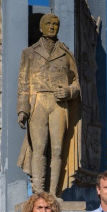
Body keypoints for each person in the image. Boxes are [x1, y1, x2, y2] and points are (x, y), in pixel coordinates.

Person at [16, 13, 80, 197]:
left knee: (58, 150)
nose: (52, 27)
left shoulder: (66, 54)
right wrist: (22, 109)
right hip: (38, 102)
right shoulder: (29, 53)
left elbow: (76, 84)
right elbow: (23, 84)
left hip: (59, 104)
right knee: (39, 149)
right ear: (41, 27)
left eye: (56, 24)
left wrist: (69, 92)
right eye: (48, 23)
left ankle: (53, 194)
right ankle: (38, 195)